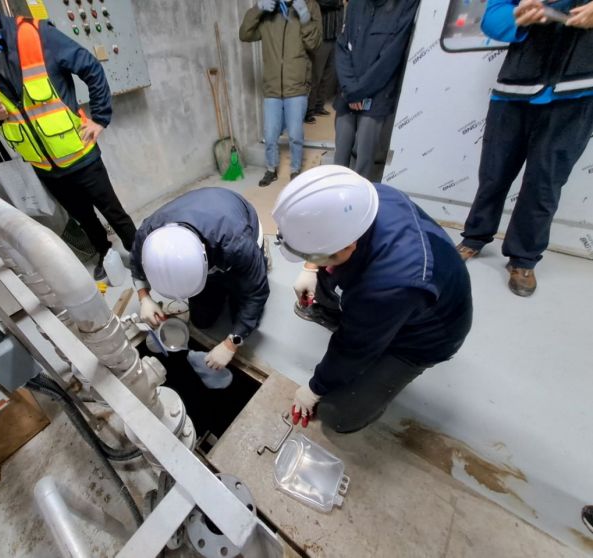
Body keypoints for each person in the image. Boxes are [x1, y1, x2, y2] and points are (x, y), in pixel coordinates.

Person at [0, 0, 136, 279]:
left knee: (112, 210)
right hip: (43, 165)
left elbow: (91, 68)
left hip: (79, 153)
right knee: (83, 216)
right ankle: (105, 254)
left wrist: (100, 118)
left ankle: (140, 252)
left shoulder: (36, 34)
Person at [272, 165, 472, 431]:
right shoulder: (362, 199)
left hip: (427, 335)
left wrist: (315, 387)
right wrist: (310, 268)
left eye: (313, 255)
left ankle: (381, 352)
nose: (311, 261)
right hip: (395, 296)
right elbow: (328, 249)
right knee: (326, 279)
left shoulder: (390, 284)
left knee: (337, 415)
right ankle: (350, 316)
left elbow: (353, 348)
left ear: (348, 244)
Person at [456, 0, 593, 297]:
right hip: (515, 89)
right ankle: (475, 237)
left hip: (577, 94)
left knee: (544, 182)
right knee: (493, 173)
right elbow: (493, 17)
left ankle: (523, 258)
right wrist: (516, 16)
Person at [131, 188, 270, 371]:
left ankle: (262, 257)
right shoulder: (148, 235)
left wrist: (232, 343)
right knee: (202, 321)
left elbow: (256, 294)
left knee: (242, 316)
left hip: (237, 228)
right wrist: (144, 297)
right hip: (205, 231)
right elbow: (136, 263)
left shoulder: (236, 243)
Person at [333, 0, 419, 181]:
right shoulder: (355, 4)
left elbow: (390, 58)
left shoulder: (405, 5)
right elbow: (342, 47)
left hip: (376, 94)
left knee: (364, 162)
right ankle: (336, 200)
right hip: (348, 94)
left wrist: (358, 92)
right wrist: (350, 90)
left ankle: (361, 204)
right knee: (339, 159)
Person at [240, 0, 323, 187]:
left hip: (297, 85)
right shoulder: (269, 9)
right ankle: (271, 169)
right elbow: (244, 34)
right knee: (270, 135)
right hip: (272, 87)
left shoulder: (310, 5)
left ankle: (295, 170)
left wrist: (305, 18)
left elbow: (315, 44)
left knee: (295, 134)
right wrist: (257, 9)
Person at [305, 0, 345, 124]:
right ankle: (308, 111)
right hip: (322, 38)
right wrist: (339, 2)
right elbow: (321, 3)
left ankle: (318, 106)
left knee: (329, 75)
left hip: (335, 37)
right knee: (315, 75)